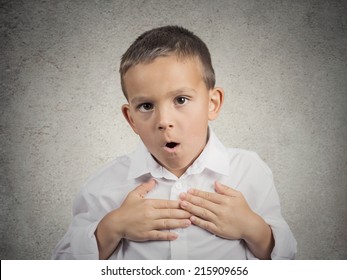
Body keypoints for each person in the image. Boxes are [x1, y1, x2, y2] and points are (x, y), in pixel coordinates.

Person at [53, 25, 297, 260]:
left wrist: (253, 229)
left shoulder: (249, 171)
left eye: (181, 99)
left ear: (212, 104)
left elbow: (285, 258)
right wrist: (111, 228)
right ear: (131, 119)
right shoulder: (104, 185)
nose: (164, 121)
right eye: (146, 106)